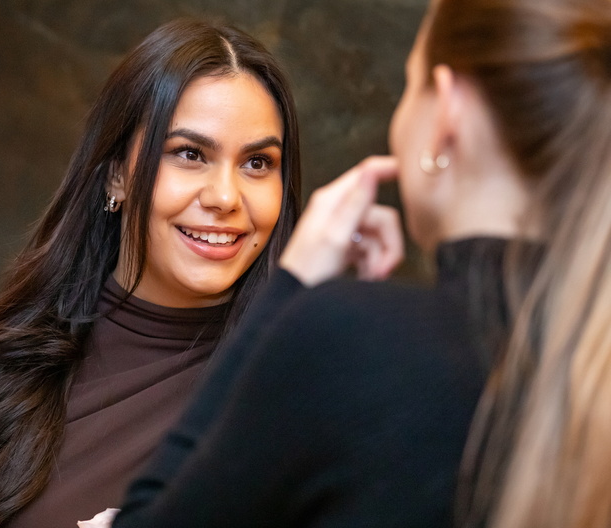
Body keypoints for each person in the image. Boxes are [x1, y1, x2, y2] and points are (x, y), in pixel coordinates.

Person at [112, 0, 611, 526]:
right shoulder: (584, 359)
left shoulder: (354, 337)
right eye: (190, 154)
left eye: (410, 84)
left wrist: (290, 288)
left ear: (447, 111)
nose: (224, 197)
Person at [0, 19, 300, 528]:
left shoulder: (286, 399)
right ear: (116, 174)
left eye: (258, 163)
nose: (225, 197)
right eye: (189, 154)